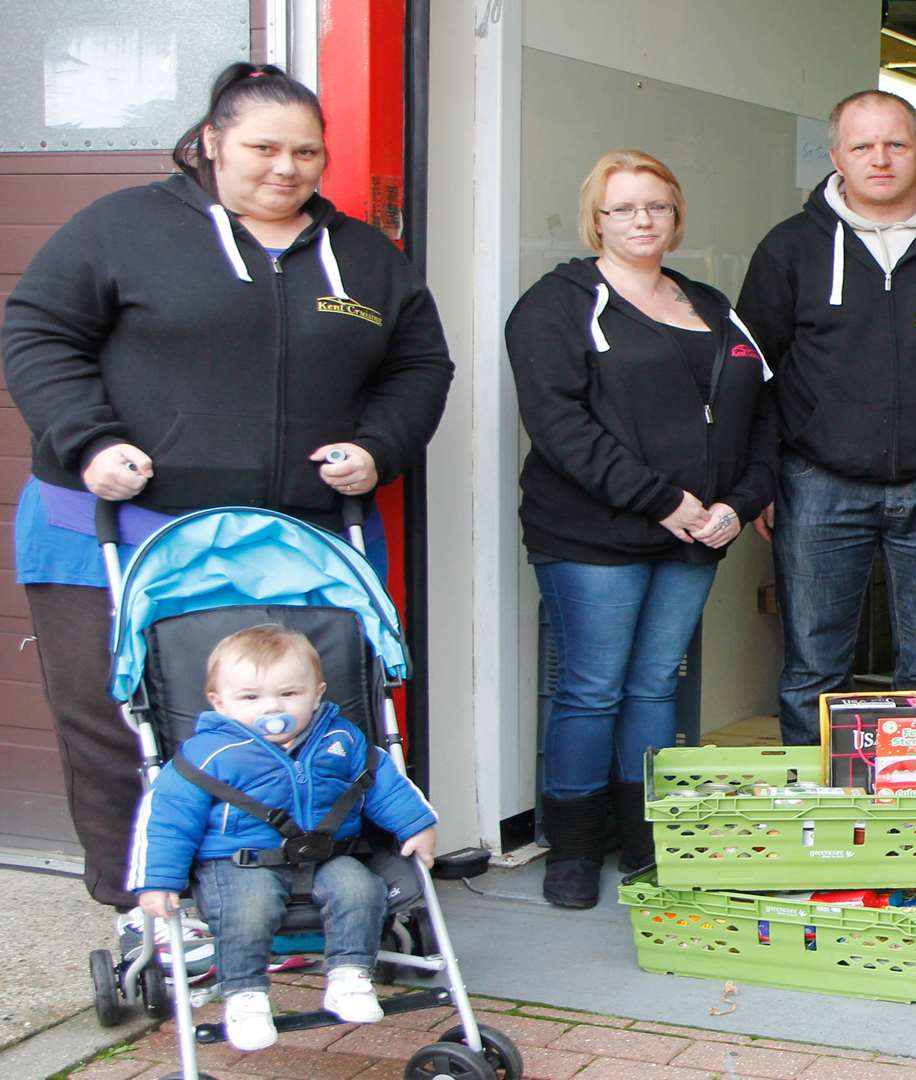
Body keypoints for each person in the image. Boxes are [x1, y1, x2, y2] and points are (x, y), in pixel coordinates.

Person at [2, 63, 453, 914]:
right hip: (113, 529)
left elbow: (420, 364)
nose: (286, 168)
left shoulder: (360, 255)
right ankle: (146, 911)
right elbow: (37, 331)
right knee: (120, 725)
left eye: (307, 152)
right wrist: (90, 440)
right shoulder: (121, 227)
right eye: (263, 148)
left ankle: (296, 899)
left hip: (286, 544)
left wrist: (378, 446)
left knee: (301, 720)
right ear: (212, 143)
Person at [506, 151, 776, 908]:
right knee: (592, 690)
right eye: (623, 209)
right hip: (593, 535)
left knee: (657, 684)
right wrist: (663, 500)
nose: (642, 221)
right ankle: (575, 847)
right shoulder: (556, 306)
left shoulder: (710, 304)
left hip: (696, 535)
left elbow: (762, 410)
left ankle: (645, 838)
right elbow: (561, 427)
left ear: (677, 215)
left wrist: (740, 498)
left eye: (656, 206)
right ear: (596, 218)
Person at [738, 90, 916, 745]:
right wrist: (760, 476)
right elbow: (753, 368)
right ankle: (819, 822)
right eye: (863, 145)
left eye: (896, 143)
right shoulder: (791, 248)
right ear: (837, 156)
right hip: (816, 483)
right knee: (814, 670)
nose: (881, 159)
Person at [128, 625, 438, 1052]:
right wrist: (159, 881)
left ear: (317, 694)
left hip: (327, 855)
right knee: (248, 906)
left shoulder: (340, 739)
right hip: (238, 863)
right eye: (251, 698)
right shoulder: (208, 754)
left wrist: (416, 825)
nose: (271, 707)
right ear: (219, 702)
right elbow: (168, 820)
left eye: (289, 694)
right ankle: (245, 996)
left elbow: (380, 782)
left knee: (361, 887)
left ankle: (349, 975)